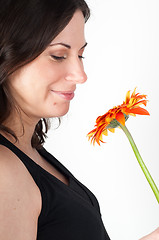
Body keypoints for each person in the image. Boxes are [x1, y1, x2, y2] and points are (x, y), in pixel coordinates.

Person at [0, 0, 158, 239]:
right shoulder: (4, 170)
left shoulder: (29, 152)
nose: (80, 75)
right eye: (58, 55)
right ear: (7, 57)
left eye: (80, 55)